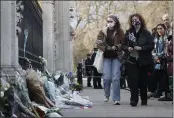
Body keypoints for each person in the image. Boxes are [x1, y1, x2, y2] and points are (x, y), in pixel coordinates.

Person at [122, 13, 154, 107]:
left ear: (140, 20)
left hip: (144, 61)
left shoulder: (146, 33)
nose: (134, 22)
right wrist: (128, 48)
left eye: (136, 20)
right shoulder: (128, 32)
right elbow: (123, 45)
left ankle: (144, 99)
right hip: (132, 60)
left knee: (142, 81)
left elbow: (151, 45)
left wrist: (141, 48)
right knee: (133, 81)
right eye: (132, 20)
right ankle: (133, 100)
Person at [96, 14, 124, 105]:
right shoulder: (102, 32)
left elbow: (123, 43)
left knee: (116, 78)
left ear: (115, 22)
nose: (109, 23)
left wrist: (116, 47)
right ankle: (107, 94)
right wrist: (106, 48)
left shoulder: (120, 32)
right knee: (107, 78)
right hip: (106, 57)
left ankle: (116, 98)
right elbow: (98, 43)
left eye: (111, 21)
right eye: (108, 21)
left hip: (116, 57)